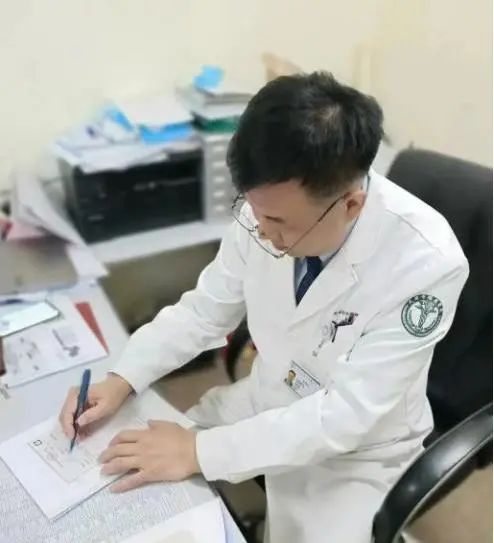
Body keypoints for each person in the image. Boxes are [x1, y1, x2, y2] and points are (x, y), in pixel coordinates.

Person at [60, 72, 468, 542]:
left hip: (357, 452)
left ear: (351, 206)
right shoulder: (268, 210)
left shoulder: (426, 263)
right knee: (132, 463)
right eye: (253, 210)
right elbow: (204, 311)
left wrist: (198, 452)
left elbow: (346, 415)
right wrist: (122, 377)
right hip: (270, 395)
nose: (261, 230)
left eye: (278, 221)